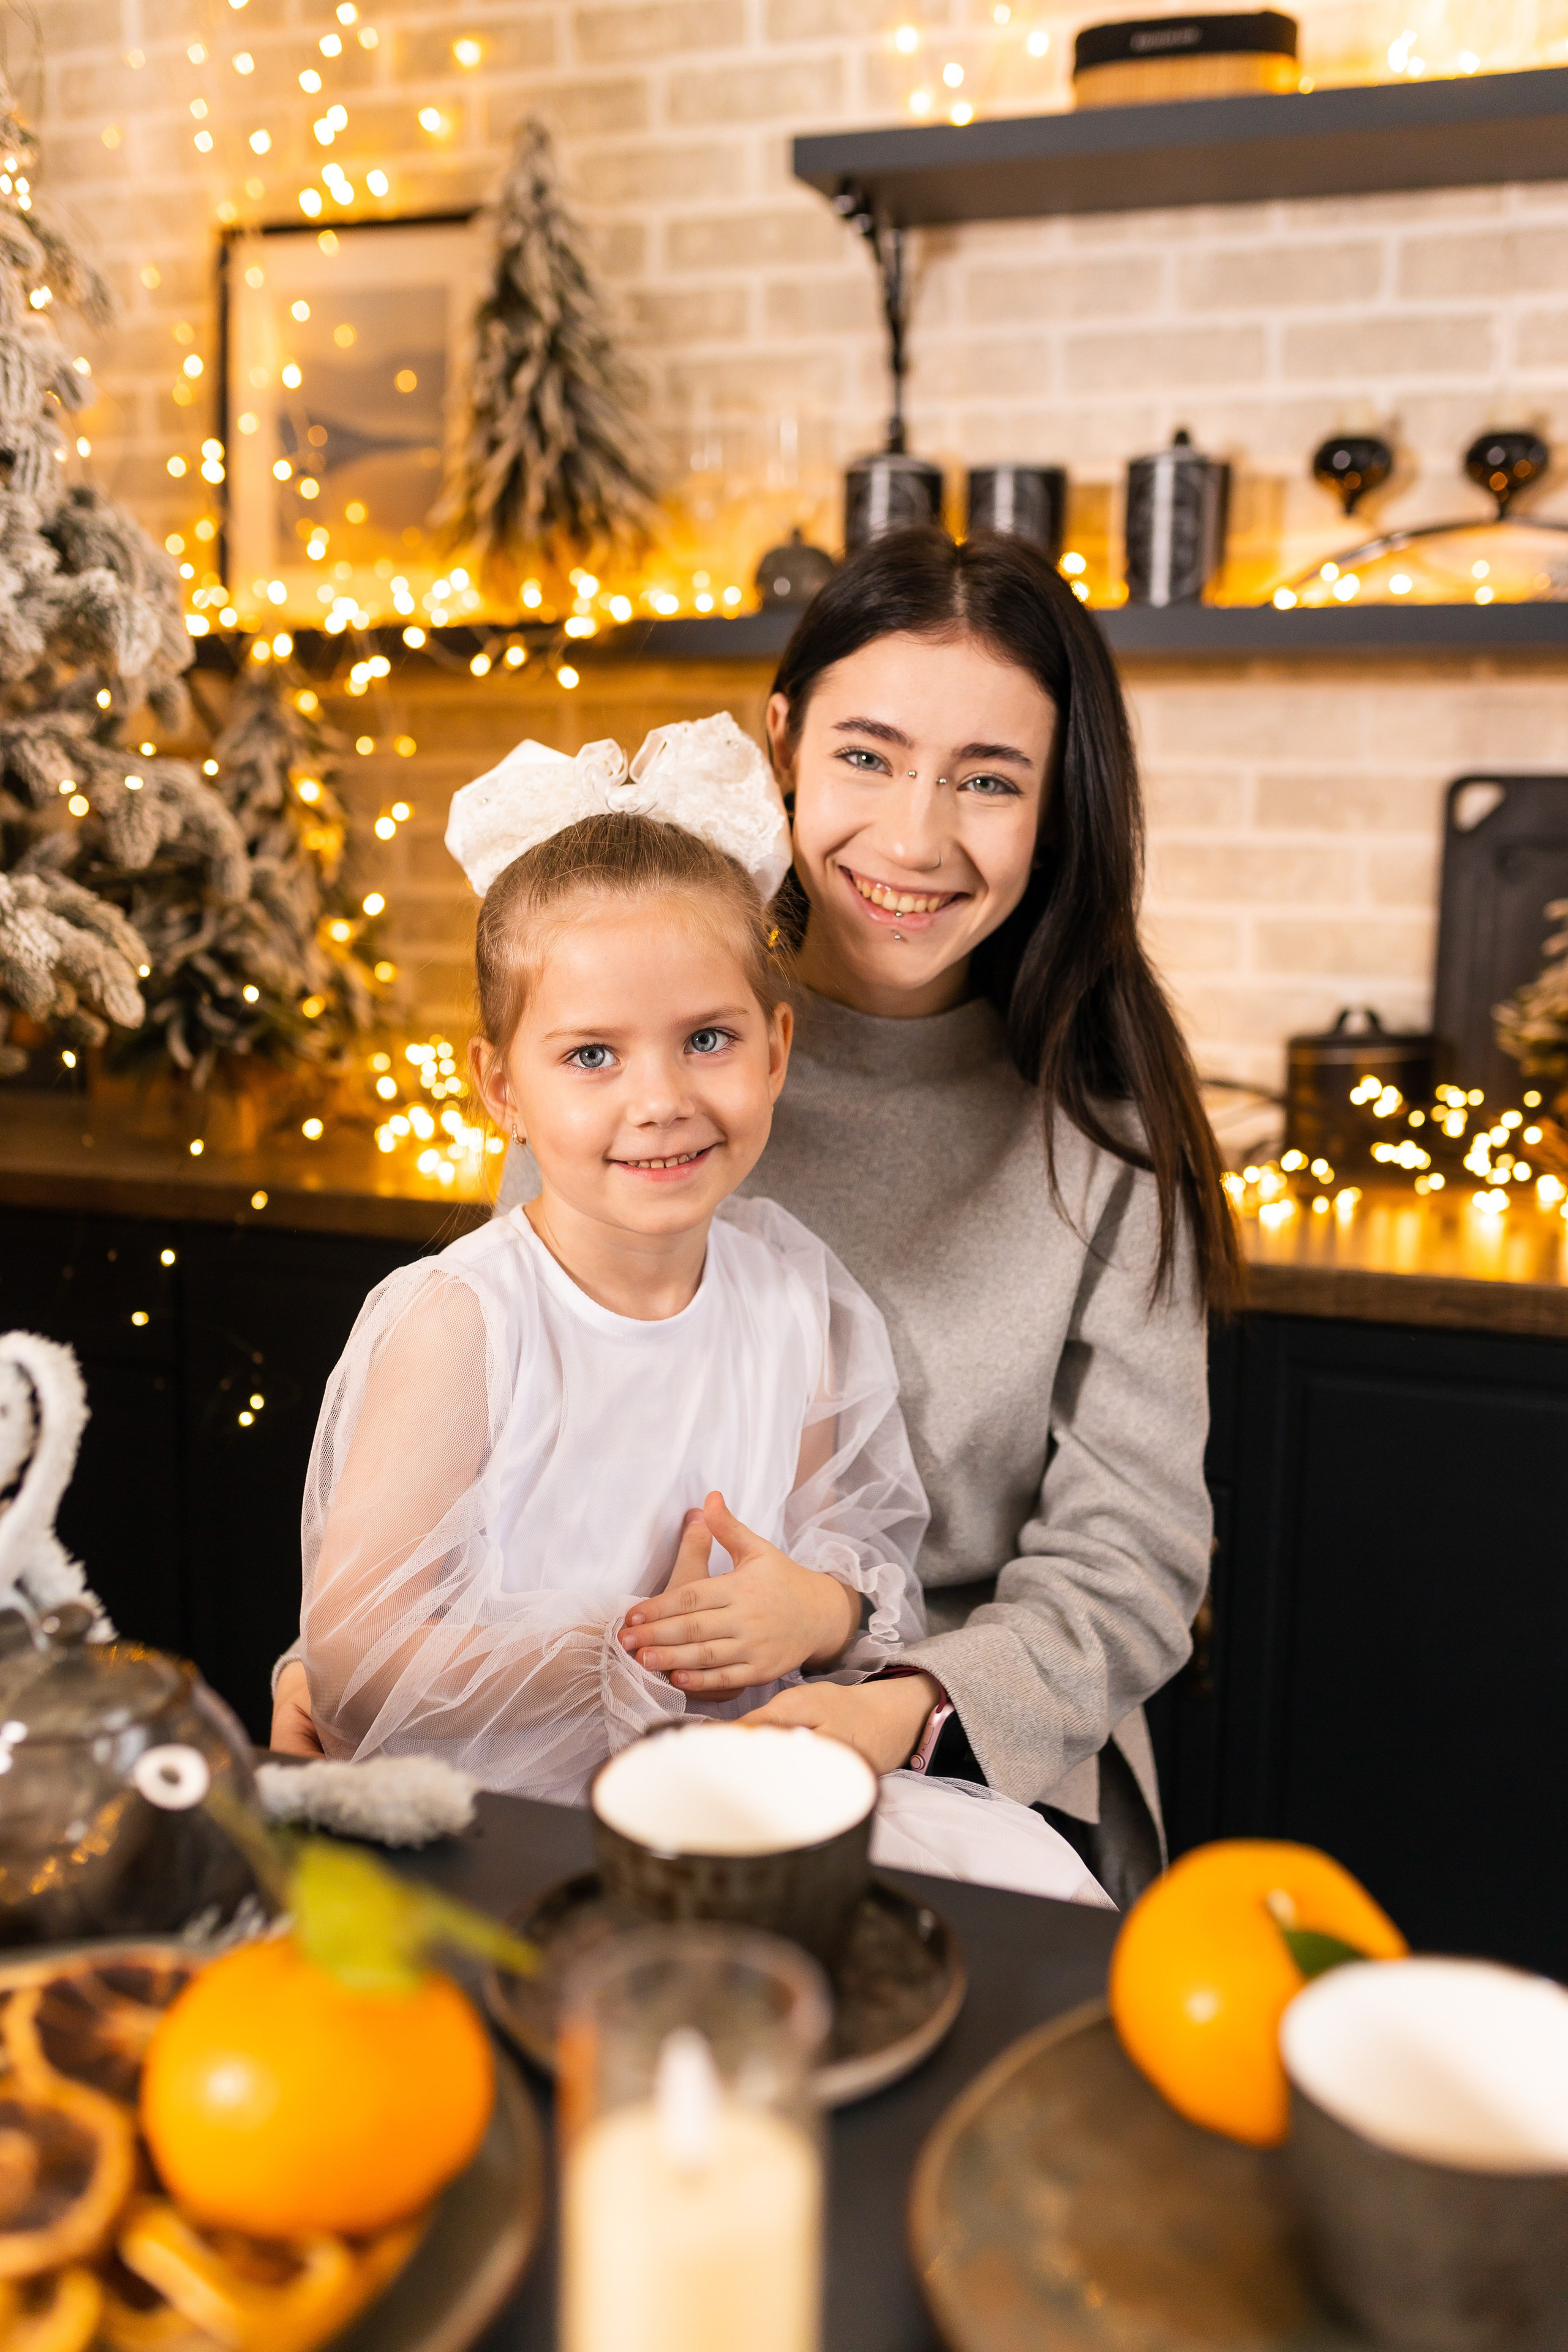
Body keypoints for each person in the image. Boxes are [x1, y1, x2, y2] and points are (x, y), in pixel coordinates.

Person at [277, 524, 1232, 1904]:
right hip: (597, 1729)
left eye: (986, 780)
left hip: (968, 1747)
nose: (912, 835)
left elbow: (1131, 1559)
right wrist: (369, 1658)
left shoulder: (1105, 1131)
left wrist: (894, 1696)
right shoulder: (633, 1021)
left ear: (1055, 807)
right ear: (779, 738)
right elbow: (499, 1438)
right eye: (866, 754)